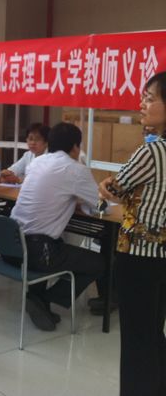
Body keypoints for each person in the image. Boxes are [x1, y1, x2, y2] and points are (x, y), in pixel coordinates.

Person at [99, 71, 166, 396]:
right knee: (153, 332)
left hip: (138, 255)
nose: (142, 104)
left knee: (136, 339)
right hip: (162, 256)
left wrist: (108, 186)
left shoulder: (151, 152)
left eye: (150, 99)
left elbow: (113, 187)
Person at [10, 122, 105, 331]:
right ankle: (44, 298)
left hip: (11, 246)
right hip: (39, 251)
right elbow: (100, 206)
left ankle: (38, 300)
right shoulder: (76, 170)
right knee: (99, 263)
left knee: (54, 243)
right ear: (75, 147)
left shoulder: (36, 162)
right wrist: (102, 196)